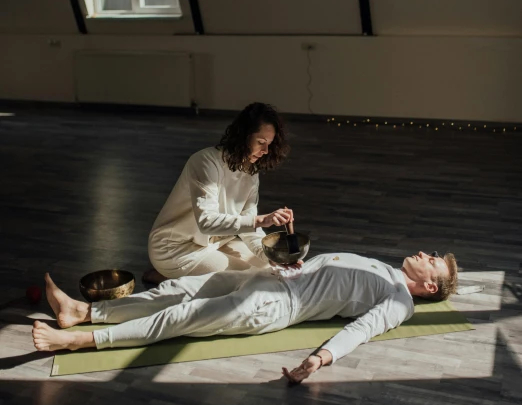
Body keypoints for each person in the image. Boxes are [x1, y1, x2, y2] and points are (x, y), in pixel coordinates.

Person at [33, 250, 458, 383]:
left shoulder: (399, 300)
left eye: (432, 261)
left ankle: (82, 341)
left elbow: (362, 329)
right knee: (175, 289)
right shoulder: (387, 268)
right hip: (266, 277)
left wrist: (320, 359)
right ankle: (84, 310)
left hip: (274, 306)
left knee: (183, 317)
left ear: (430, 287)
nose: (424, 254)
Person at [143, 102, 292, 284]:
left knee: (269, 268)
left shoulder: (251, 173)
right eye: (261, 142)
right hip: (176, 249)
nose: (265, 151)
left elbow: (250, 229)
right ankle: (170, 276)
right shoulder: (205, 162)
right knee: (250, 280)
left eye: (269, 144)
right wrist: (261, 220)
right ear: (244, 135)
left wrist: (269, 256)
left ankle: (186, 278)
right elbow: (207, 222)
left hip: (215, 244)